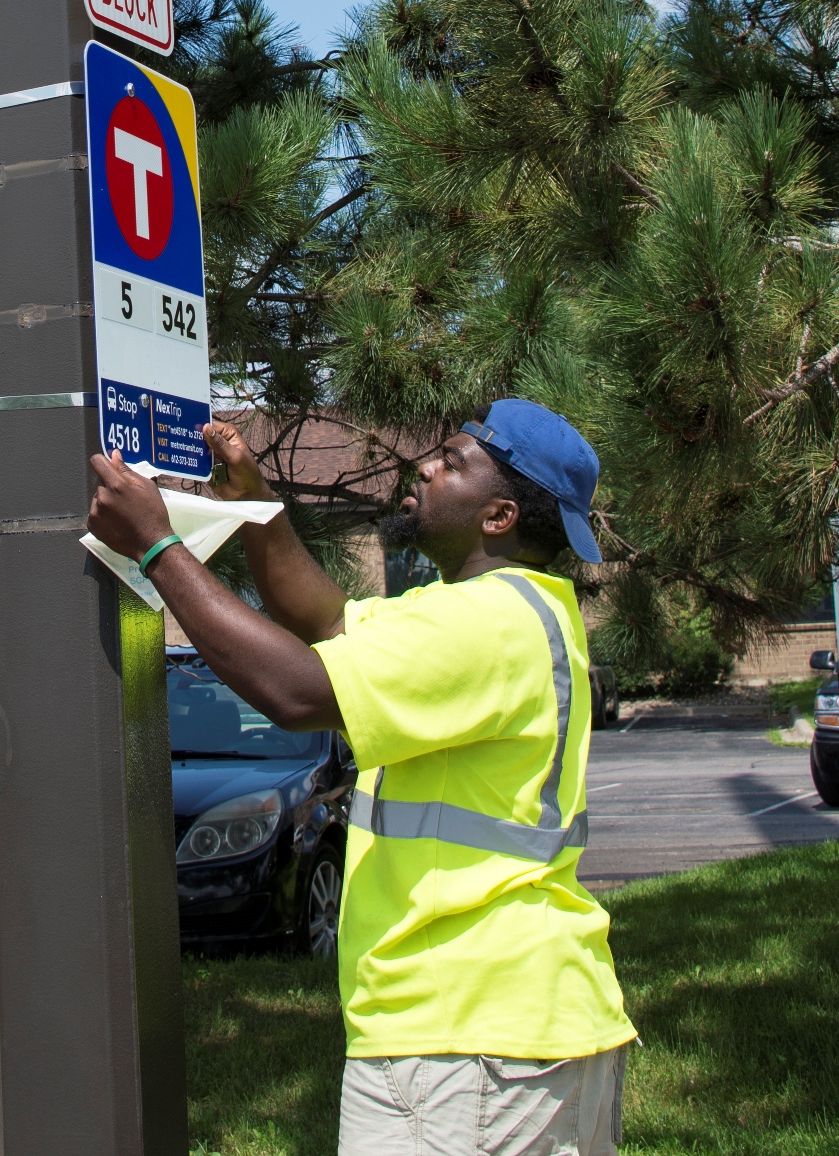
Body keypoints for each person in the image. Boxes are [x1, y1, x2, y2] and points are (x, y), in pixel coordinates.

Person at [87, 398, 639, 1156]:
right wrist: (256, 504)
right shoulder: (503, 610)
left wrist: (157, 546)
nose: (425, 466)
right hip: (525, 1018)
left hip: (466, 1035)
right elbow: (327, 621)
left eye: (452, 462)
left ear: (499, 515)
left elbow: (298, 691)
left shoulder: (484, 625)